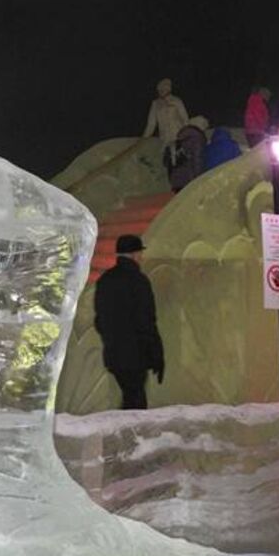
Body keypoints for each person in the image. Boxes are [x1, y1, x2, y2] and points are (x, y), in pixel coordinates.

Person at [93, 233, 164, 410]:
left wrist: (111, 339)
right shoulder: (139, 282)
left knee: (130, 396)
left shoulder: (105, 281)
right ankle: (127, 437)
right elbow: (146, 321)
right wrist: (156, 354)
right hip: (136, 355)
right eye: (140, 253)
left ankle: (124, 435)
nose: (141, 257)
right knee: (136, 402)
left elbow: (99, 320)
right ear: (134, 255)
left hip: (114, 354)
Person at [143, 78, 189, 169]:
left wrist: (187, 137)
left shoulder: (176, 101)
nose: (162, 90)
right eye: (160, 89)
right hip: (165, 140)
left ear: (169, 89)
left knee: (181, 164)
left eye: (164, 88)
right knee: (168, 166)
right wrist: (143, 138)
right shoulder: (155, 104)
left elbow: (185, 120)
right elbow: (151, 124)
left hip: (179, 138)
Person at [168, 116, 209, 191]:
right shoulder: (197, 138)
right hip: (189, 179)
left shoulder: (179, 138)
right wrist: (199, 179)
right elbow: (197, 160)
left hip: (176, 179)